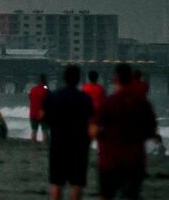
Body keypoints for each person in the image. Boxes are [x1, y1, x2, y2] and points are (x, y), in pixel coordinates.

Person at [91, 64, 159, 200]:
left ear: (115, 79)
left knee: (106, 195)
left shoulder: (108, 102)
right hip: (135, 161)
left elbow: (93, 130)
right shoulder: (143, 104)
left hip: (110, 160)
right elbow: (152, 132)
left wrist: (102, 138)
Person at [42, 65, 94, 200]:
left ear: (64, 79)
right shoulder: (85, 99)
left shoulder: (53, 97)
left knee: (56, 183)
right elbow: (91, 122)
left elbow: (44, 118)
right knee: (76, 184)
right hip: (79, 146)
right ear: (79, 80)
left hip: (58, 144)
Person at [29, 74, 50, 143]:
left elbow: (30, 98)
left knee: (34, 130)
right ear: (45, 81)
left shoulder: (33, 89)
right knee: (44, 130)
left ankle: (33, 143)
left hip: (33, 113)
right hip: (43, 113)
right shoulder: (45, 89)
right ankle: (44, 143)